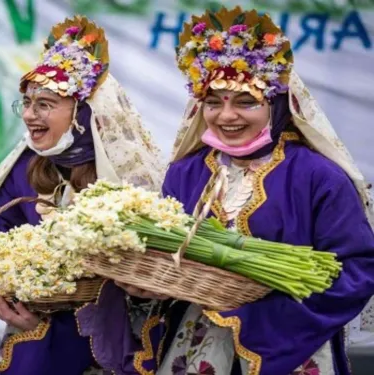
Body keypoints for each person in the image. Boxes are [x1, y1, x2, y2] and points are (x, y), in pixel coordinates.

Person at [0, 16, 168, 374]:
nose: (28, 115)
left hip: (118, 343)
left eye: (44, 104)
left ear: (83, 112)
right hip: (36, 324)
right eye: (25, 102)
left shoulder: (126, 173)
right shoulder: (30, 163)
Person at [153, 6, 374, 374]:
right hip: (195, 345)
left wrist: (261, 315)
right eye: (213, 102)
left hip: (288, 348)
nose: (226, 116)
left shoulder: (318, 176)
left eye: (245, 102)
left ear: (275, 103)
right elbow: (163, 256)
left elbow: (359, 268)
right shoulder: (185, 173)